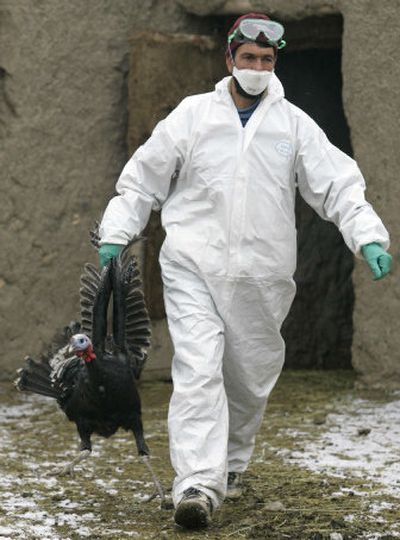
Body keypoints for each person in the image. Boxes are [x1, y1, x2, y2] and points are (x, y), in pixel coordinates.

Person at [98, 13, 392, 529]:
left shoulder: (292, 124)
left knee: (247, 383)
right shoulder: (191, 117)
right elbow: (142, 179)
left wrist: (367, 234)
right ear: (229, 57)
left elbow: (338, 185)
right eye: (249, 58)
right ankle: (196, 483)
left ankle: (228, 464)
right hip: (193, 266)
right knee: (198, 369)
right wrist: (116, 232)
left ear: (275, 63)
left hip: (262, 279)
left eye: (266, 60)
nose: (257, 67)